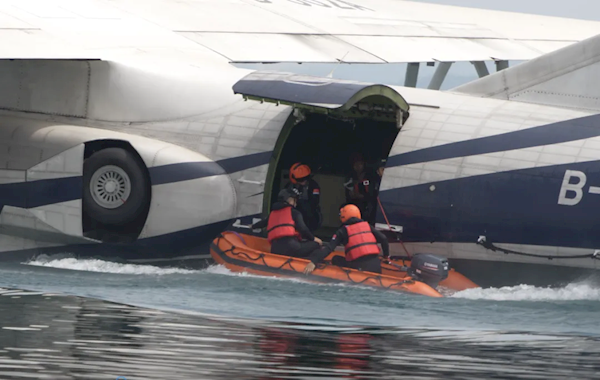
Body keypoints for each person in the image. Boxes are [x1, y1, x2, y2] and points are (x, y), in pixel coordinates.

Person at [303, 204, 389, 275]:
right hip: (376, 266)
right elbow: (384, 238)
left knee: (335, 258)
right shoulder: (367, 226)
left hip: (358, 267)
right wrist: (386, 256)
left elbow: (329, 248)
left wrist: (314, 262)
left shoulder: (342, 231)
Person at [251, 187, 322, 258]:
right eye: (295, 200)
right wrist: (313, 238)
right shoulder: (294, 213)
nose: (296, 203)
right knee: (316, 245)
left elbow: (262, 223)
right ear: (290, 200)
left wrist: (252, 226)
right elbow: (303, 229)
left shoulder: (272, 214)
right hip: (291, 247)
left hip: (275, 249)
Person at [286, 162, 322, 232]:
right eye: (301, 179)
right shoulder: (289, 187)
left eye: (306, 178)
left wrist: (300, 201)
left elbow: (314, 202)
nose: (304, 181)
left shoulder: (313, 186)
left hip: (308, 216)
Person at [343, 153, 378, 224]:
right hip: (354, 205)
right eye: (356, 165)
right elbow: (348, 193)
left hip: (368, 205)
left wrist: (363, 196)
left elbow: (372, 194)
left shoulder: (370, 176)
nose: (358, 166)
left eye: (360, 164)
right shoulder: (350, 177)